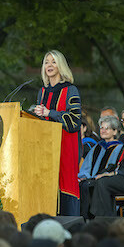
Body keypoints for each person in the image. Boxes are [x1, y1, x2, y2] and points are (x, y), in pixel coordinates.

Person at [33, 50, 82, 215]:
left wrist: (49, 113)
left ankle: (70, 225)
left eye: (54, 62)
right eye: (47, 62)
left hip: (66, 145)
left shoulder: (71, 90)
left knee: (65, 183)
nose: (49, 65)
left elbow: (74, 121)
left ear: (60, 66)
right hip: (45, 147)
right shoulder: (42, 92)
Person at [78, 116, 124, 218]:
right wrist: (84, 176)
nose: (103, 131)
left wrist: (102, 175)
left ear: (115, 131)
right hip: (92, 179)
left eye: (107, 128)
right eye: (102, 128)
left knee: (91, 185)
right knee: (83, 184)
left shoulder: (120, 148)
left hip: (106, 181)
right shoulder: (97, 147)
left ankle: (95, 217)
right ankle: (84, 218)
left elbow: (115, 168)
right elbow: (86, 167)